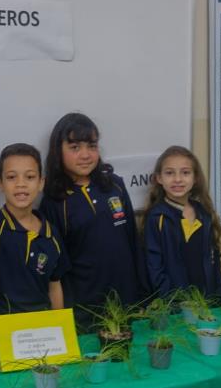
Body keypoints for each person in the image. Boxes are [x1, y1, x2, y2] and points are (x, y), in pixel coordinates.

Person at [40, 113, 144, 327]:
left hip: (126, 299)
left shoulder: (115, 185)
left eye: (92, 146)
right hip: (84, 308)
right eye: (75, 147)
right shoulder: (54, 201)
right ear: (58, 150)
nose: (85, 155)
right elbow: (58, 266)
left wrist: (143, 294)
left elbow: (133, 240)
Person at [0, 143, 69, 327]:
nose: (21, 184)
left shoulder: (51, 233)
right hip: (5, 331)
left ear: (41, 182)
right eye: (11, 177)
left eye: (30, 177)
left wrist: (60, 328)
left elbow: (55, 286)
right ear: (0, 183)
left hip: (44, 330)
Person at [142, 146, 221, 303]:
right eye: (169, 173)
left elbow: (213, 262)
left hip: (207, 303)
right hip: (176, 309)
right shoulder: (157, 218)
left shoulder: (204, 213)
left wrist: (219, 297)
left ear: (195, 179)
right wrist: (173, 303)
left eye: (185, 173)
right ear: (159, 178)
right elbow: (154, 268)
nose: (178, 179)